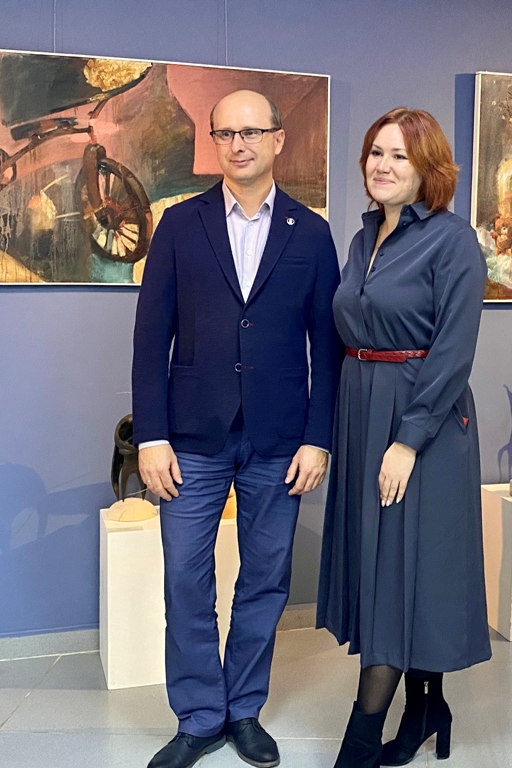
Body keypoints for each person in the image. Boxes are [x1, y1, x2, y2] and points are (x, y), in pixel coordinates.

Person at [132, 89, 342, 768]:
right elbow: (150, 338)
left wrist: (318, 437)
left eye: (251, 132)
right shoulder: (178, 224)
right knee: (184, 579)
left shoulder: (311, 233)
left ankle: (243, 710)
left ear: (278, 139)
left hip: (279, 440)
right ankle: (199, 717)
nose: (238, 144)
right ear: (213, 141)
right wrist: (150, 436)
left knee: (265, 580)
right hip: (191, 436)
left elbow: (327, 347)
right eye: (225, 133)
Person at [317, 108, 492, 768]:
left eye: (400, 156)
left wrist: (409, 439)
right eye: (375, 153)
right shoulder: (363, 238)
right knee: (394, 564)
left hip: (423, 422)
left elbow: (453, 350)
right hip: (363, 412)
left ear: (428, 169)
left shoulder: (452, 240)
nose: (383, 166)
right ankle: (426, 709)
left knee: (399, 572)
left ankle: (360, 741)